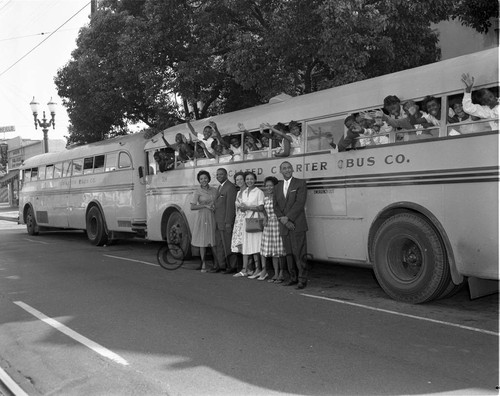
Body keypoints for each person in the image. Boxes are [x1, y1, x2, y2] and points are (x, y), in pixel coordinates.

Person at [273, 161, 308, 289]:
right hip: (284, 225)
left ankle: (302, 279)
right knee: (288, 253)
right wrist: (283, 220)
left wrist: (288, 218)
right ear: (280, 171)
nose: (287, 170)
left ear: (292, 169)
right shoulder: (277, 187)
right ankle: (292, 277)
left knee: (299, 253)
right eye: (284, 168)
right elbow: (275, 206)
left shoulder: (300, 183)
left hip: (297, 224)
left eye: (289, 168)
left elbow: (300, 203)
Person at [239, 171, 266, 280]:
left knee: (259, 246)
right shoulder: (244, 192)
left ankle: (263, 270)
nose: (249, 181)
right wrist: (242, 208)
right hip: (247, 220)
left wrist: (247, 208)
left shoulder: (258, 192)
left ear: (255, 180)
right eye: (247, 179)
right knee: (252, 245)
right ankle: (257, 269)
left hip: (256, 221)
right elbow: (243, 206)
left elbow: (261, 208)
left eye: (251, 179)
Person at [190, 170, 217, 272]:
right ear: (199, 180)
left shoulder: (214, 190)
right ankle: (203, 264)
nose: (203, 180)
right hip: (202, 217)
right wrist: (205, 205)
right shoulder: (197, 192)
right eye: (201, 179)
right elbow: (192, 207)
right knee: (202, 241)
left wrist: (214, 206)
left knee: (213, 240)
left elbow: (218, 202)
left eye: (205, 178)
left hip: (212, 216)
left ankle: (216, 263)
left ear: (209, 178)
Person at [212, 168, 238, 273]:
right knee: (219, 244)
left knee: (228, 245)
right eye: (217, 174)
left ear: (226, 175)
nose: (219, 176)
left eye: (221, 174)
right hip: (218, 221)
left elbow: (230, 207)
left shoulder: (230, 187)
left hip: (225, 222)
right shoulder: (220, 187)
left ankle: (232, 266)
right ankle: (221, 265)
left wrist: (228, 222)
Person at [260, 176, 285, 283]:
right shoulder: (265, 197)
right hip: (269, 226)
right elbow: (264, 210)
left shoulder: (280, 196)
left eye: (271, 185)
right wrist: (265, 217)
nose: (269, 188)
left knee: (280, 251)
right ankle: (275, 273)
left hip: (278, 224)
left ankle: (282, 273)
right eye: (267, 186)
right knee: (273, 252)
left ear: (276, 186)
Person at [231, 172, 248, 276]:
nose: (239, 181)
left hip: (246, 219)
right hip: (238, 220)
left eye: (241, 179)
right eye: (237, 180)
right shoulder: (238, 193)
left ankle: (246, 269)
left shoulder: (248, 191)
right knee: (240, 244)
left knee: (246, 244)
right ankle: (244, 268)